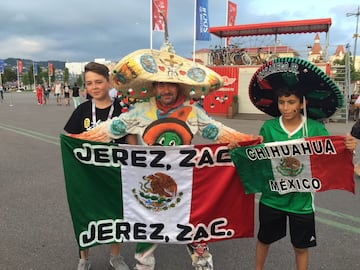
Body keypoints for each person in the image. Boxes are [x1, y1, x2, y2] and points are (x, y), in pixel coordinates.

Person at [70, 48, 261, 270]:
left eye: (171, 84)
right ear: (153, 87)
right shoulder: (140, 112)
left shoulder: (192, 113)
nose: (166, 89)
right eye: (160, 84)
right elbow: (109, 130)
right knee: (145, 245)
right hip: (151, 188)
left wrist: (249, 139)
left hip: (188, 188)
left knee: (198, 241)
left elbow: (218, 132)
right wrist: (77, 140)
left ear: (180, 85)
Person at [245, 58, 357, 270]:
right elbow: (258, 160)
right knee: (264, 240)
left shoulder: (315, 129)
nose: (285, 108)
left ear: (302, 103)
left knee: (301, 247)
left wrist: (348, 147)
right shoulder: (268, 128)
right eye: (281, 102)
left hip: (302, 202)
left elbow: (329, 157)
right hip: (272, 199)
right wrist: (242, 149)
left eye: (291, 102)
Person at [64, 62, 137, 270]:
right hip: (88, 175)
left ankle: (115, 256)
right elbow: (72, 142)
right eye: (89, 83)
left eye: (98, 82)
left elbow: (133, 144)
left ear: (109, 82)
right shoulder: (82, 110)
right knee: (84, 213)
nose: (94, 87)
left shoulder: (122, 111)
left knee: (115, 213)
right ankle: (84, 258)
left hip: (115, 174)